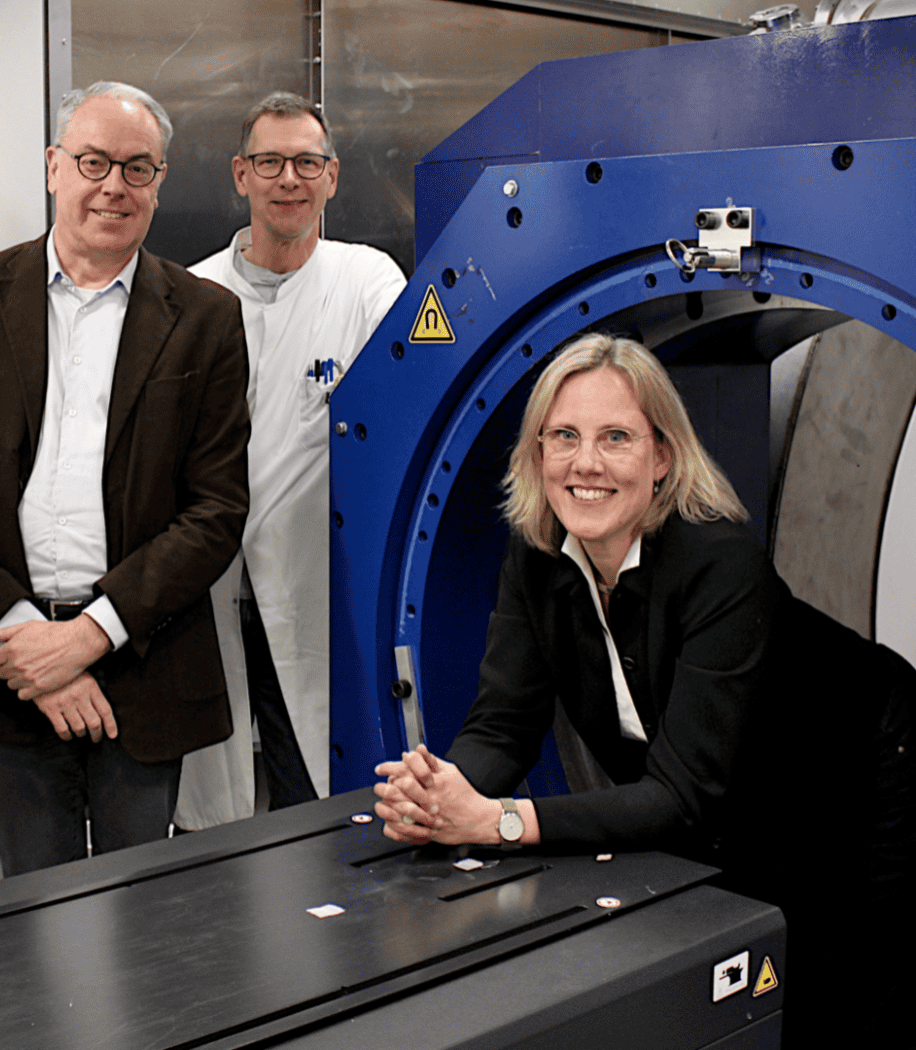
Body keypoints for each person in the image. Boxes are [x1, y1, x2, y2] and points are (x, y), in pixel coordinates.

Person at [373, 333, 912, 1042]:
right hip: (734, 798)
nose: (585, 463)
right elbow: (503, 726)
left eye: (615, 437)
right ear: (537, 454)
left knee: (842, 1001)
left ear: (662, 457)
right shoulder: (536, 556)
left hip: (869, 774)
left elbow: (681, 798)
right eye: (563, 436)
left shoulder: (720, 565)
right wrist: (441, 791)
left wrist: (498, 822)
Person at [0, 82, 250, 878]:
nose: (113, 186)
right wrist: (31, 641)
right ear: (55, 166)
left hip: (146, 665)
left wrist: (89, 637)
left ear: (159, 184)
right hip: (9, 666)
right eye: (94, 161)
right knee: (32, 916)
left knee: (137, 920)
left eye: (137, 169)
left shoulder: (205, 315)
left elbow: (217, 509)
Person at [177, 93, 405, 828]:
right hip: (203, 591)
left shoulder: (367, 282)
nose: (289, 179)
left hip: (317, 591)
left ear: (332, 177)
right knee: (209, 816)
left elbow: (397, 417)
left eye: (307, 162)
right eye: (270, 162)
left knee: (311, 797)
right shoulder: (191, 291)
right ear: (241, 174)